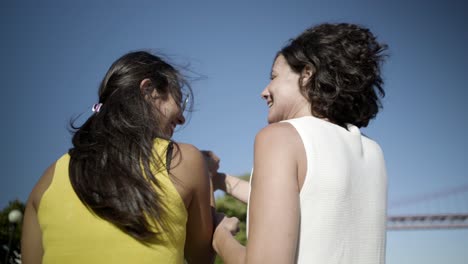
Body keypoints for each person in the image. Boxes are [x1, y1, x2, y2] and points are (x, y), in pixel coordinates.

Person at [211, 23, 389, 264]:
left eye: (273, 77)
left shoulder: (280, 137)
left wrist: (219, 236)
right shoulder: (372, 151)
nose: (264, 91)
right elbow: (304, 198)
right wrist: (221, 180)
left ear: (307, 74)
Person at [21, 51, 218, 264]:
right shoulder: (186, 160)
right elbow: (202, 258)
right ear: (148, 90)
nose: (181, 118)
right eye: (179, 99)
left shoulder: (47, 180)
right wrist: (205, 174)